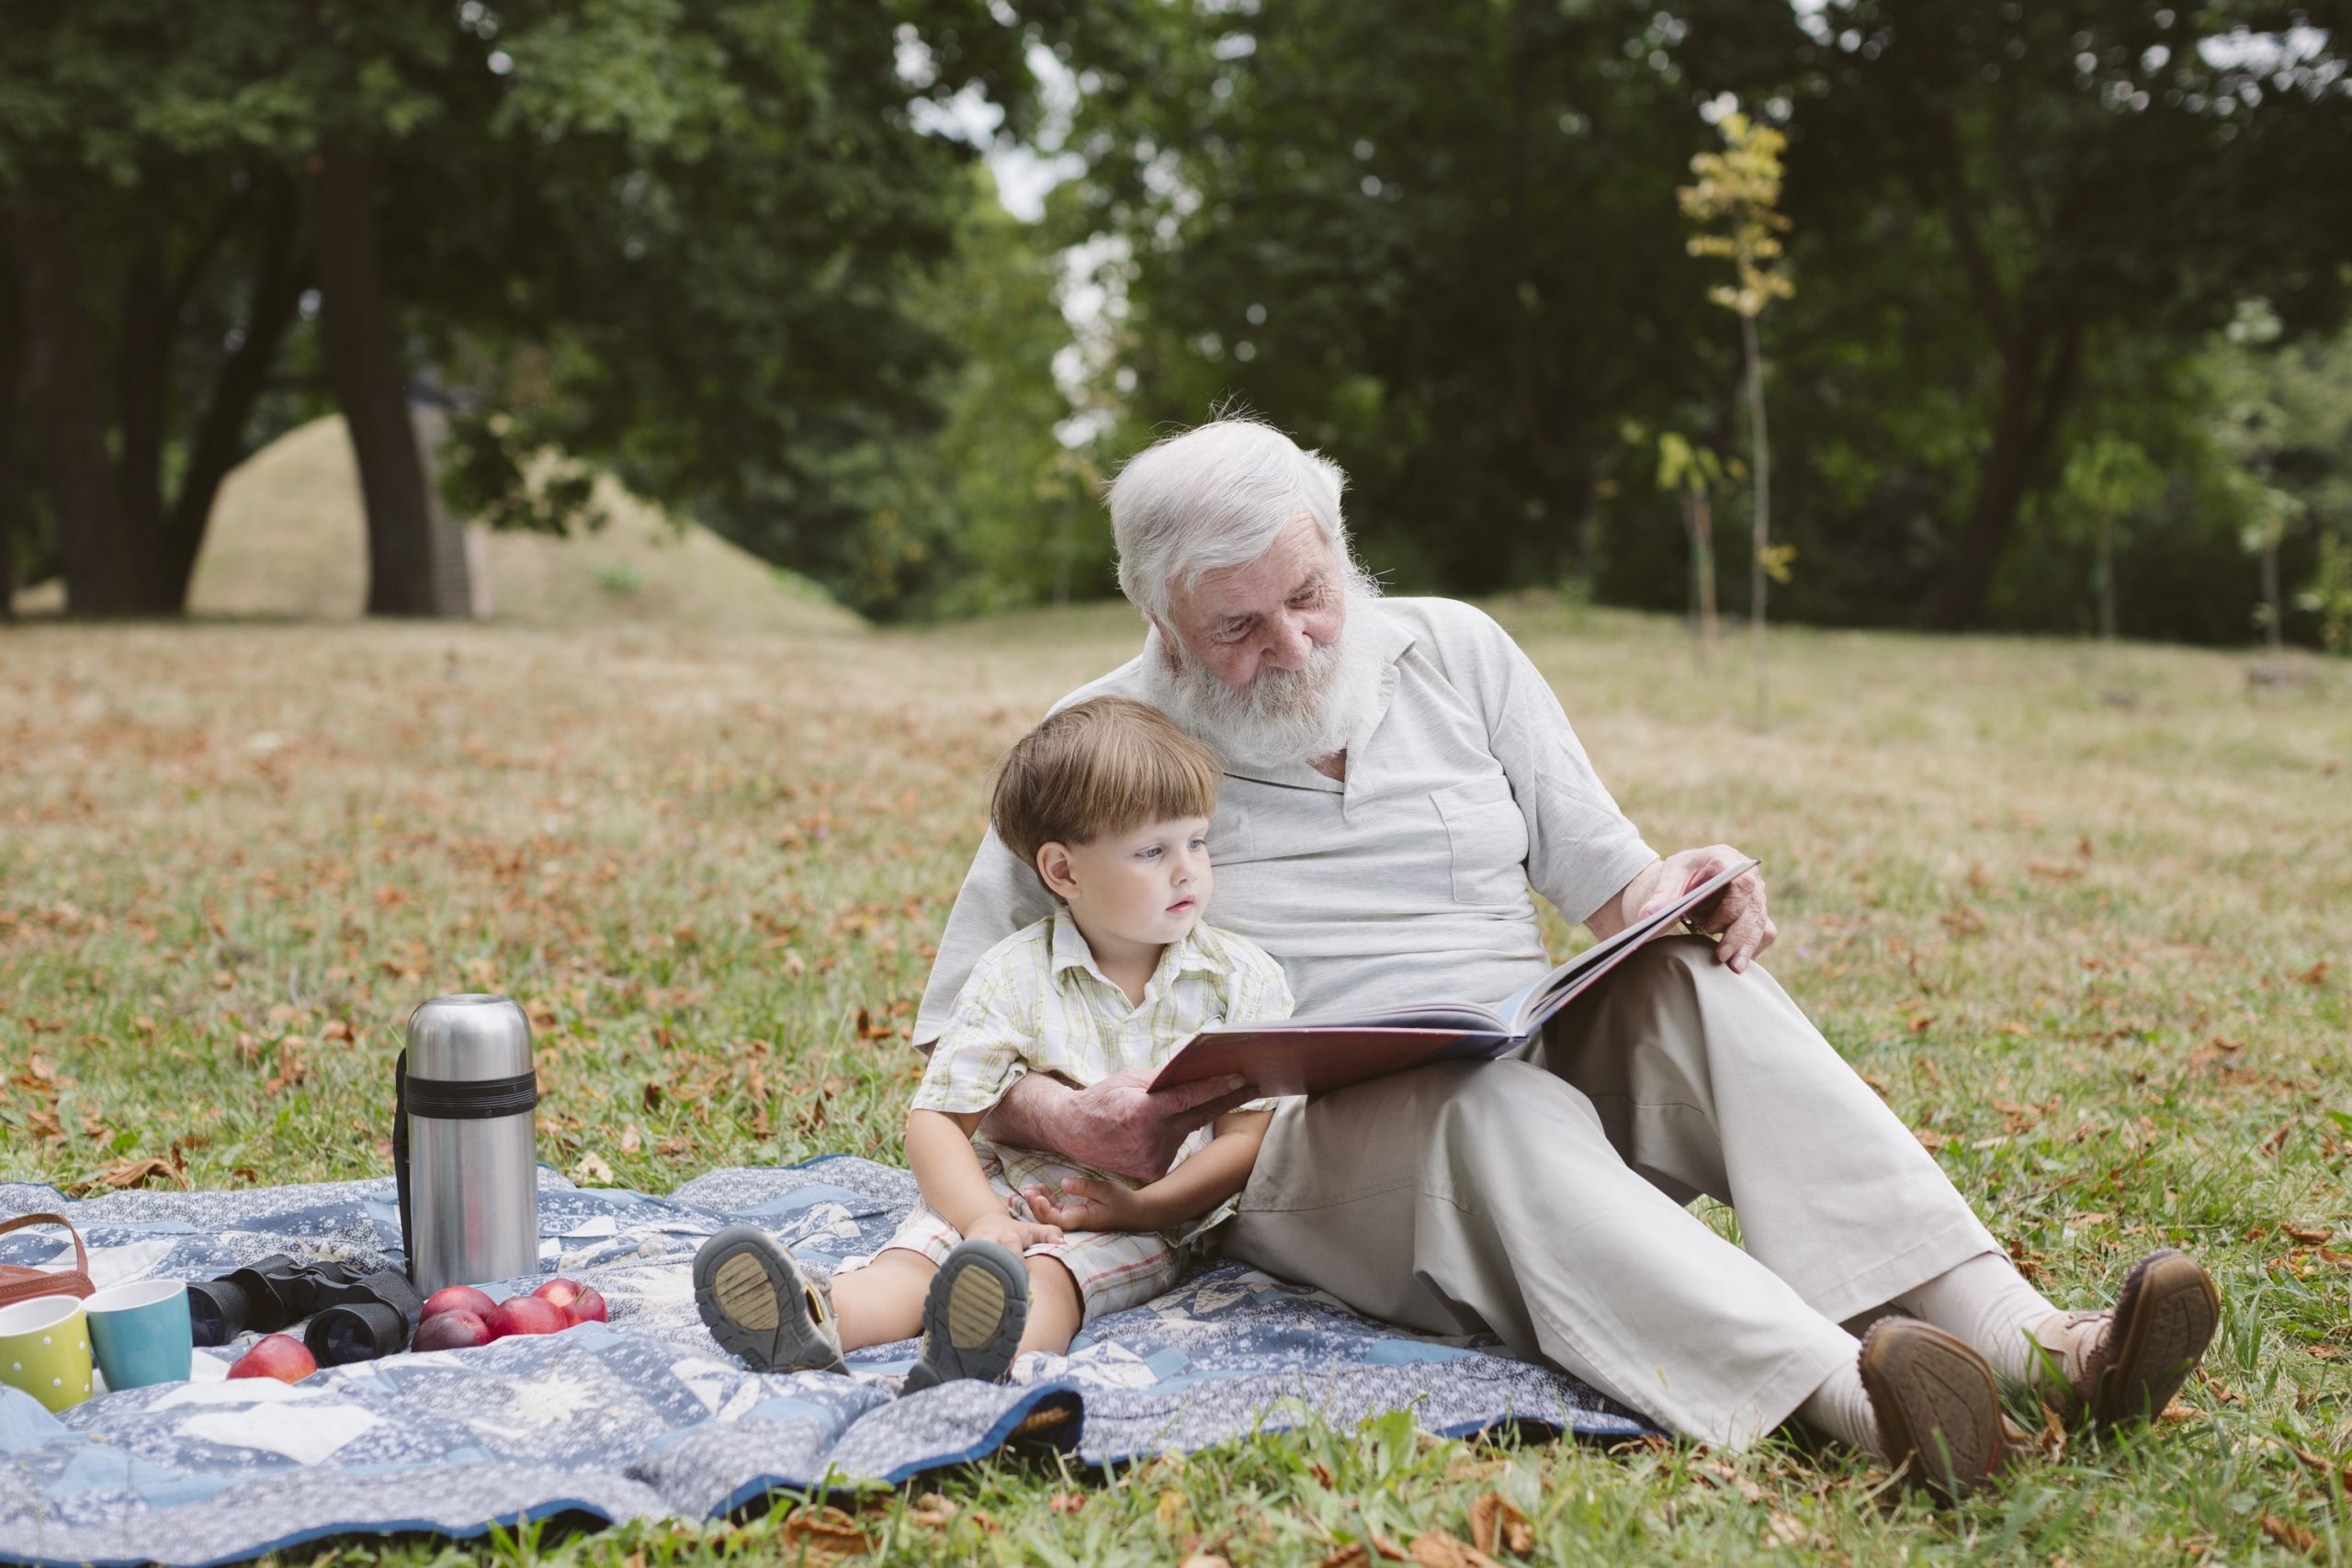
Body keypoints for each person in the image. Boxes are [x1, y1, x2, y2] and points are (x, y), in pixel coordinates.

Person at [910, 415, 2222, 1498]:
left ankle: (2030, 1342)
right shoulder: (1097, 744)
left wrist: (1690, 886)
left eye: (1307, 595)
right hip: (1303, 1160)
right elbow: (952, 1032)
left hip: (1515, 1054)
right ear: (1158, 617)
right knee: (1480, 1101)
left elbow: (1614, 886)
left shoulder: (1456, 648)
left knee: (1689, 979)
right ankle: (1861, 1396)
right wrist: (1078, 1115)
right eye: (1238, 630)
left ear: (1340, 549)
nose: (1294, 644)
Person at [694, 695, 1292, 1390]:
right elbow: (938, 1119)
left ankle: (980, 1360)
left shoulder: (1237, 980)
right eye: (1153, 850)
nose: (1187, 869)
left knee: (1053, 1278)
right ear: (1064, 871)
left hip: (1137, 1211)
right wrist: (980, 1215)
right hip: (998, 1184)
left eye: (1197, 840)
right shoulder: (1015, 972)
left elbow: (1243, 1140)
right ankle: (811, 1320)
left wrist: (1145, 1207)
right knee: (911, 1261)